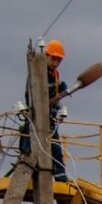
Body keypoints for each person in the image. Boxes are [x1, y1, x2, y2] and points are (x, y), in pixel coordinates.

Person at [16, 38, 68, 181]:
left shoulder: (55, 74)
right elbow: (34, 93)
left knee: (55, 147)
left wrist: (63, 89)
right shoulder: (38, 72)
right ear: (46, 56)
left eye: (59, 61)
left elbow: (56, 88)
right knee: (29, 146)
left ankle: (61, 177)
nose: (56, 63)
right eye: (54, 59)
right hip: (36, 114)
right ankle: (28, 170)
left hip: (49, 115)